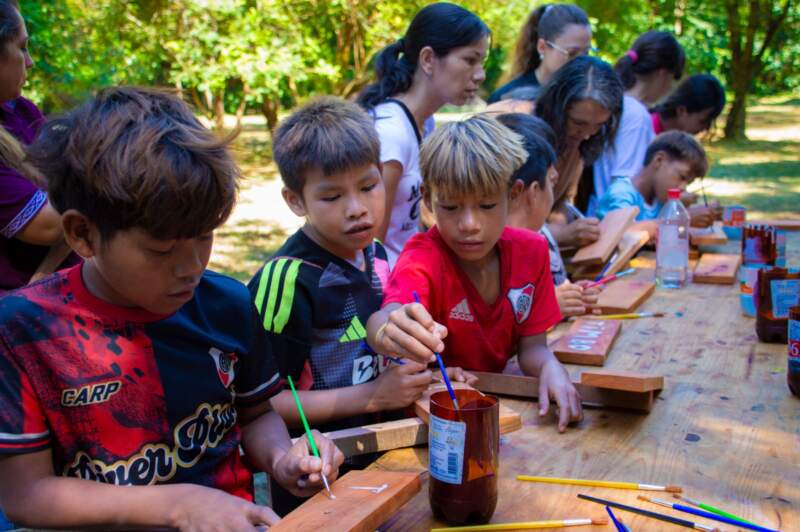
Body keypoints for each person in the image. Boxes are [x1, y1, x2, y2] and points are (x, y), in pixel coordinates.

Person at [0, 87, 344, 530]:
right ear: (82, 234)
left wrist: (283, 458)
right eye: (161, 250)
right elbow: (26, 495)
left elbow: (256, 414)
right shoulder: (24, 331)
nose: (191, 268)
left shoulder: (227, 305)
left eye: (204, 236)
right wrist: (178, 504)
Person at [248, 97, 474, 515]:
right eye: (332, 196)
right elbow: (266, 403)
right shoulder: (289, 280)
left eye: (369, 187)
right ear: (296, 201)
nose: (357, 209)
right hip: (317, 483)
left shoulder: (376, 254)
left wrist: (421, 377)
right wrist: (372, 397)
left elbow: (377, 357)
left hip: (385, 464)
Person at [366, 115, 582, 432]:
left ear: (513, 194)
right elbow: (387, 316)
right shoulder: (423, 259)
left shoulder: (532, 251)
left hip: (498, 412)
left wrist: (550, 367)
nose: (469, 224)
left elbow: (533, 348)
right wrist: (387, 330)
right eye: (451, 207)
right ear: (428, 199)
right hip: (435, 423)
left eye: (487, 205)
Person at [358, 2, 490, 267]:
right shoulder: (391, 134)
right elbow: (371, 248)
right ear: (428, 59)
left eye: (482, 62)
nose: (480, 75)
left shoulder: (425, 122)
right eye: (470, 60)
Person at [0, 0, 72, 292]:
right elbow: (53, 225)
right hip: (17, 308)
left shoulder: (21, 111)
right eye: (22, 47)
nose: (29, 61)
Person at [498, 112, 600, 317]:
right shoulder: (497, 250)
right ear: (533, 191)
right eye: (551, 181)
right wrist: (549, 307)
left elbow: (549, 291)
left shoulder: (537, 238)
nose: (556, 174)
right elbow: (498, 321)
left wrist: (572, 295)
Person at [588, 30, 685, 216]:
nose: (670, 88)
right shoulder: (637, 116)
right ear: (663, 74)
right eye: (673, 80)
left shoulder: (620, 103)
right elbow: (623, 184)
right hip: (616, 222)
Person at [531, 56, 624, 249]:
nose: (587, 134)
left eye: (599, 125)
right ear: (556, 108)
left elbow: (561, 204)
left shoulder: (577, 147)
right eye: (578, 123)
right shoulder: (521, 133)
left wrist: (570, 225)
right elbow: (504, 221)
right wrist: (561, 234)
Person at [595, 131, 709, 239]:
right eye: (682, 177)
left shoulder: (659, 200)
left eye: (688, 183)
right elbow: (623, 233)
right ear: (659, 160)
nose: (683, 187)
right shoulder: (622, 193)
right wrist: (680, 220)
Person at [488, 4, 591, 104]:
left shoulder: (589, 96)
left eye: (586, 53)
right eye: (572, 53)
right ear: (542, 47)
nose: (581, 63)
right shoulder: (505, 99)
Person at [651, 73, 726, 135]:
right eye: (702, 121)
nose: (705, 129)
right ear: (681, 110)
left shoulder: (675, 139)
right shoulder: (647, 131)